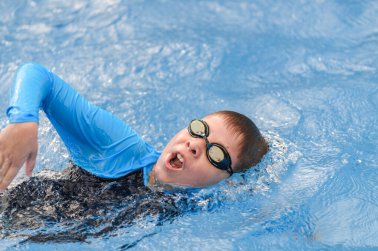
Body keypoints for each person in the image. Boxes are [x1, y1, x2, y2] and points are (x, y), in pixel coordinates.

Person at [0, 62, 268, 193]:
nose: (196, 144)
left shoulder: (202, 206)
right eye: (199, 129)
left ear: (228, 182)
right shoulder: (118, 149)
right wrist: (23, 121)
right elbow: (36, 75)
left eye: (217, 154)